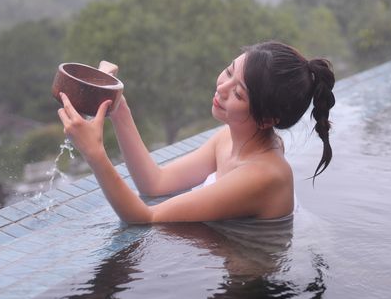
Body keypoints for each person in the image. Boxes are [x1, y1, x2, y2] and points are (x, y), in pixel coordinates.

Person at [57, 41, 335, 224]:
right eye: (228, 72)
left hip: (256, 296)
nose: (222, 89)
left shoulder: (264, 175)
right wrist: (117, 106)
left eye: (238, 92)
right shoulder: (229, 139)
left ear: (266, 119)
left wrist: (95, 154)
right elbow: (154, 183)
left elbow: (143, 217)